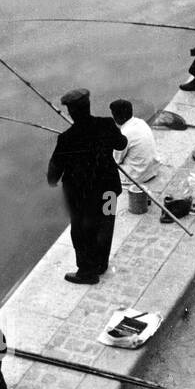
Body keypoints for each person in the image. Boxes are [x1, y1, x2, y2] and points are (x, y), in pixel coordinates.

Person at [46, 88, 124, 284]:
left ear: (71, 112)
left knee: (81, 232)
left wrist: (51, 179)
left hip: (82, 198)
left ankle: (87, 272)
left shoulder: (66, 139)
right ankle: (101, 263)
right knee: (106, 224)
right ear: (88, 106)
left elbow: (54, 173)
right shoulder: (106, 124)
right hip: (108, 191)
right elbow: (121, 144)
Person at [109, 100, 159, 184]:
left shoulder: (124, 134)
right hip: (152, 170)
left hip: (137, 176)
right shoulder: (141, 122)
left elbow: (116, 160)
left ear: (116, 117)